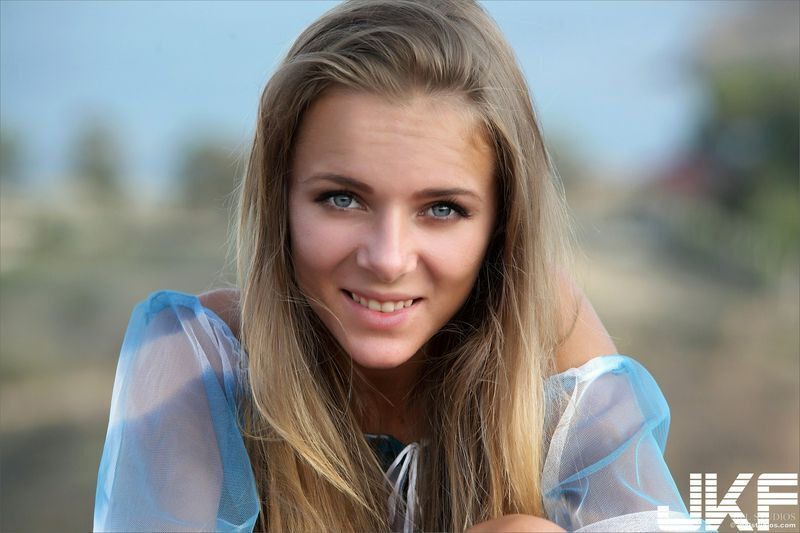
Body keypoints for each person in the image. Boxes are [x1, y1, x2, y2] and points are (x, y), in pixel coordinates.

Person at [93, 1, 697, 531]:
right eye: (342, 199)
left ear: (500, 227)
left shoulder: (542, 326)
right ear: (281, 201)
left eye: (442, 209)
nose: (387, 259)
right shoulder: (203, 357)